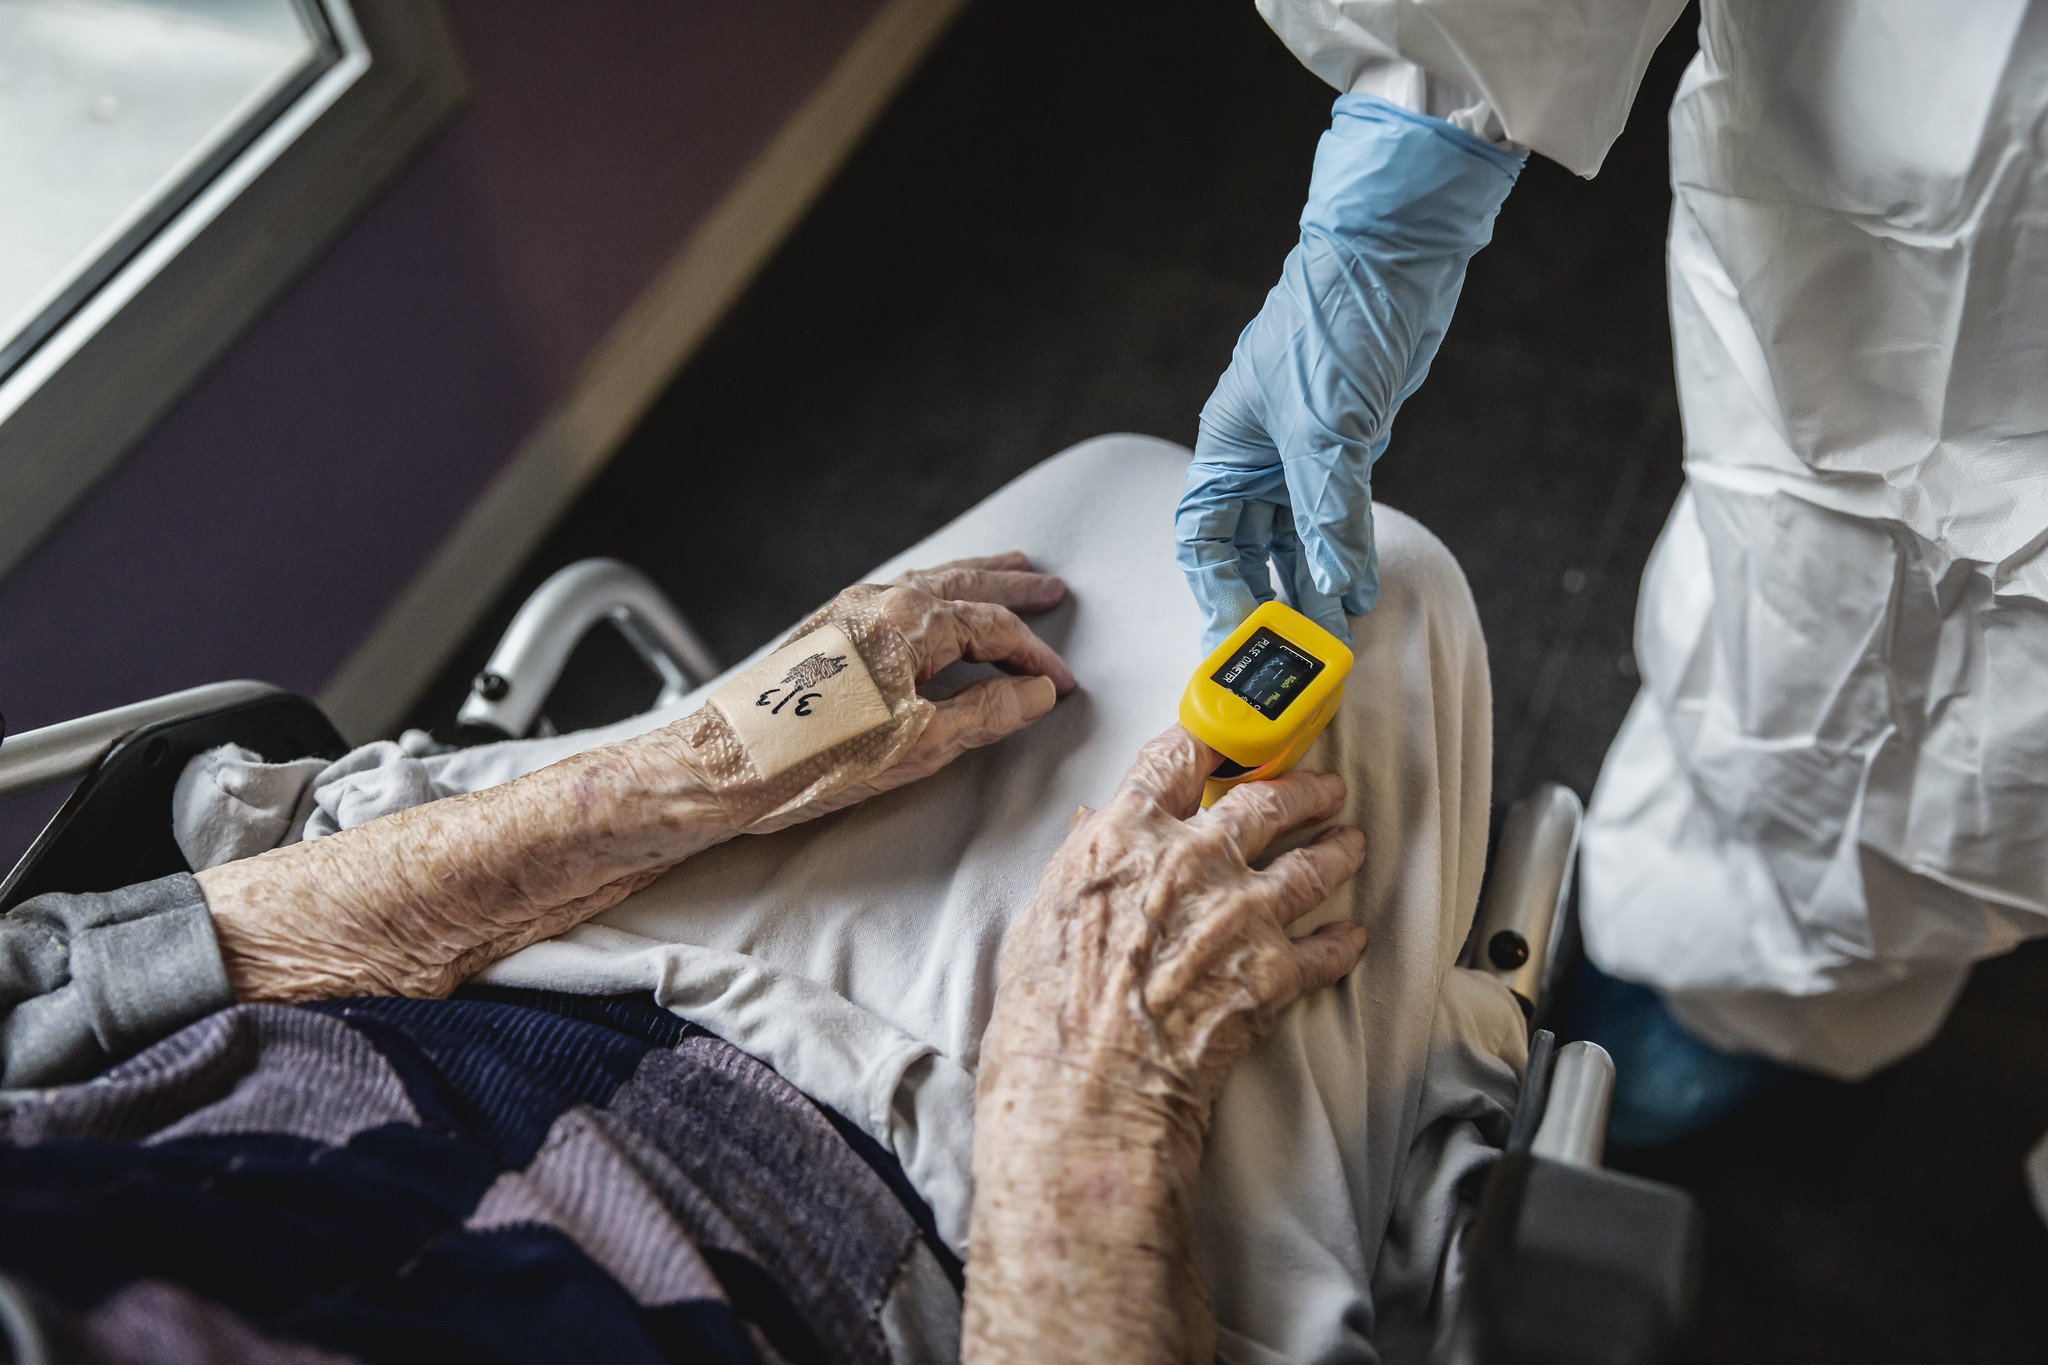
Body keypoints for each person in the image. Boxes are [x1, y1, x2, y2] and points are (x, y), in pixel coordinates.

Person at [2, 436, 1523, 1363]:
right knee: (1370, 586)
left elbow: (74, 980)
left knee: (1130, 520)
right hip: (956, 1232)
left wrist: (691, 772)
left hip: (480, 956)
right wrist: (1088, 1123)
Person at [1179, 0, 2048, 1141]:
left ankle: (1767, 994)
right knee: (1827, 580)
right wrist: (1406, 160)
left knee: (1995, 732)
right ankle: (1743, 957)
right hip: (1910, 142)